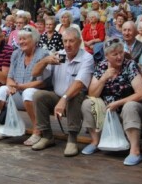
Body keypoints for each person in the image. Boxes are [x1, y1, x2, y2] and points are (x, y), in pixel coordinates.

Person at [80, 38, 142, 165]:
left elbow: (141, 94)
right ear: (106, 56)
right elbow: (92, 94)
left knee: (130, 106)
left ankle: (135, 151)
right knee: (88, 103)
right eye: (115, 54)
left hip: (129, 107)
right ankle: (95, 142)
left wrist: (118, 103)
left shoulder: (130, 65)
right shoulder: (102, 66)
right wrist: (103, 78)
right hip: (107, 109)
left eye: (121, 52)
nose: (119, 56)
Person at [30, 27, 94, 156]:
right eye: (65, 41)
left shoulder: (86, 58)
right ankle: (47, 136)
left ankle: (72, 139)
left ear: (79, 41)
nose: (68, 45)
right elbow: (35, 73)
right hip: (58, 96)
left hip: (78, 98)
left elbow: (79, 84)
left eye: (71, 41)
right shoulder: (59, 55)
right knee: (38, 95)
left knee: (75, 96)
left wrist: (64, 99)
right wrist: (44, 61)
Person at [0, 26, 49, 145]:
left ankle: (37, 131)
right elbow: (9, 77)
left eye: (24, 39)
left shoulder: (43, 54)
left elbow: (42, 82)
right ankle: (10, 126)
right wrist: (11, 86)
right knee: (1, 91)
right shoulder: (16, 53)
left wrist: (21, 87)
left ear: (34, 40)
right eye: (20, 39)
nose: (21, 42)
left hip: (36, 95)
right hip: (18, 91)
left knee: (28, 92)